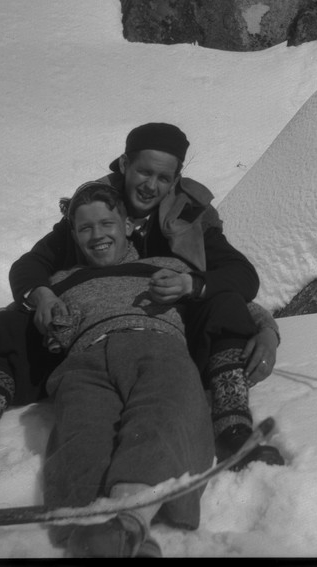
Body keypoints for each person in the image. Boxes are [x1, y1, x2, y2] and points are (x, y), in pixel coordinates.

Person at [0, 123, 283, 470]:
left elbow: (240, 279)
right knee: (10, 325)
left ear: (176, 178)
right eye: (144, 171)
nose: (151, 186)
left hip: (166, 336)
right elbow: (29, 268)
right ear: (125, 165)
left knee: (221, 301)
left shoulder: (191, 219)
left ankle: (232, 429)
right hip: (85, 336)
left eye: (164, 178)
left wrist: (200, 290)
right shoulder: (92, 210)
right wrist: (37, 300)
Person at [36, 181, 212, 557]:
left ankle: (128, 523)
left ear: (128, 226)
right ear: (75, 236)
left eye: (106, 224)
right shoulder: (58, 282)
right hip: (86, 358)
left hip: (155, 343)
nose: (97, 235)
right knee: (82, 433)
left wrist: (266, 329)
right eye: (85, 228)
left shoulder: (168, 267)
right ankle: (102, 533)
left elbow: (232, 302)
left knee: (164, 409)